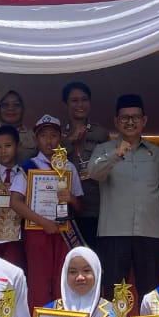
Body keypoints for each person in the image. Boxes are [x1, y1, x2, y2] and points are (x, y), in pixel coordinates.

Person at [89, 94, 159, 299]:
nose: (130, 122)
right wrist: (116, 154)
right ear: (116, 121)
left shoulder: (156, 153)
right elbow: (93, 173)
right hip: (113, 232)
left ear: (144, 120)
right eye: (124, 118)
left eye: (135, 117)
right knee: (113, 293)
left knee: (150, 292)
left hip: (150, 232)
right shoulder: (103, 149)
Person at [17, 115, 83, 309]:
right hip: (36, 230)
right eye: (43, 136)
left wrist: (72, 199)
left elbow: (80, 206)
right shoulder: (28, 167)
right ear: (36, 139)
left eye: (53, 135)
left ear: (60, 138)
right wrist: (43, 221)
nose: (49, 141)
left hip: (64, 231)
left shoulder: (69, 167)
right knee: (39, 279)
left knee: (63, 277)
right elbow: (15, 201)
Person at [61, 81, 112, 246]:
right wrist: (69, 141)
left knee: (93, 253)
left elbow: (109, 166)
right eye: (74, 100)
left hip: (93, 204)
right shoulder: (58, 134)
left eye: (84, 99)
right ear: (66, 104)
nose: (80, 104)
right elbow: (47, 160)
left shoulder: (100, 133)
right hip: (64, 204)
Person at [0, 125, 27, 268]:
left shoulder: (26, 175)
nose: (3, 151)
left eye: (8, 146)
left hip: (19, 235)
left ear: (18, 146)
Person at [0, 89, 38, 163]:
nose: (11, 108)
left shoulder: (35, 137)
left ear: (23, 109)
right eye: (5, 105)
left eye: (16, 105)